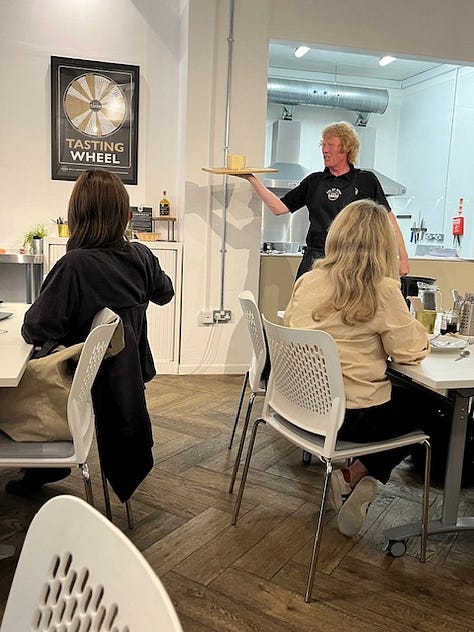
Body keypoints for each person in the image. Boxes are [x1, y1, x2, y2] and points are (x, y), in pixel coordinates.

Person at [5, 169, 174, 500]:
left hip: (78, 380)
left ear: (76, 216)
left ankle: (42, 458)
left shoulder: (75, 265)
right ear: (125, 216)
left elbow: (36, 327)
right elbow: (165, 293)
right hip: (125, 375)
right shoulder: (140, 256)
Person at [283, 198, 433, 538]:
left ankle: (353, 475)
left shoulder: (308, 281)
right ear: (384, 244)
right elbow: (409, 353)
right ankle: (358, 473)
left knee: (402, 398)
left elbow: (291, 330)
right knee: (433, 406)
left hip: (301, 409)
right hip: (352, 419)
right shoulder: (382, 289)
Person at [236, 121, 409, 280]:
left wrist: (403, 259)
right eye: (323, 145)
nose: (325, 150)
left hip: (351, 261)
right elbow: (278, 207)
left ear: (347, 148)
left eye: (330, 145)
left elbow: (389, 220)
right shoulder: (314, 182)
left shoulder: (366, 180)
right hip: (314, 258)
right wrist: (251, 179)